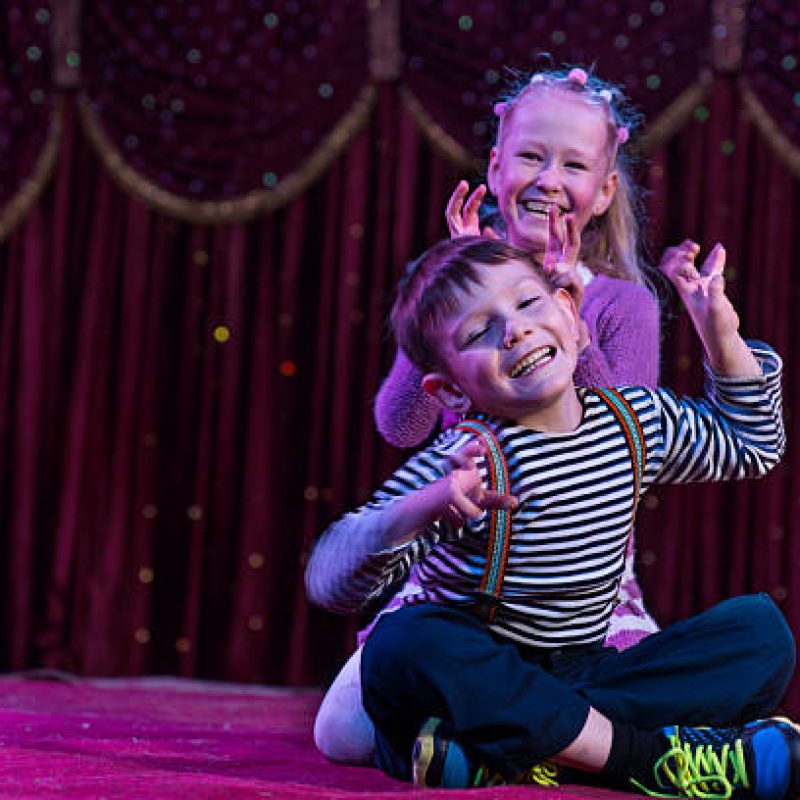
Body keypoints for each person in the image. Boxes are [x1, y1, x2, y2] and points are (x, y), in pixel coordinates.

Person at [306, 235, 796, 797]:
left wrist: (720, 335)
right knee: (402, 642)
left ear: (571, 311)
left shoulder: (636, 421)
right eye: (477, 332)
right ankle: (650, 758)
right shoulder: (465, 465)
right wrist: (424, 508)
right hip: (482, 678)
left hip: (585, 673)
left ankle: (507, 752)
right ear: (451, 392)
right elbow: (329, 581)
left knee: (761, 635)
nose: (514, 330)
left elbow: (752, 444)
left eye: (527, 304)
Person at [314, 65, 661, 763]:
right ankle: (520, 741)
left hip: (573, 583)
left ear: (604, 191)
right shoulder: (457, 284)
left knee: (637, 692)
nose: (549, 179)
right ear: (498, 165)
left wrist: (572, 317)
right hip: (463, 570)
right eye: (532, 156)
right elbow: (402, 425)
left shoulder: (622, 305)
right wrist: (450, 285)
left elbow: (631, 452)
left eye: (574, 164)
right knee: (342, 734)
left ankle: (507, 741)